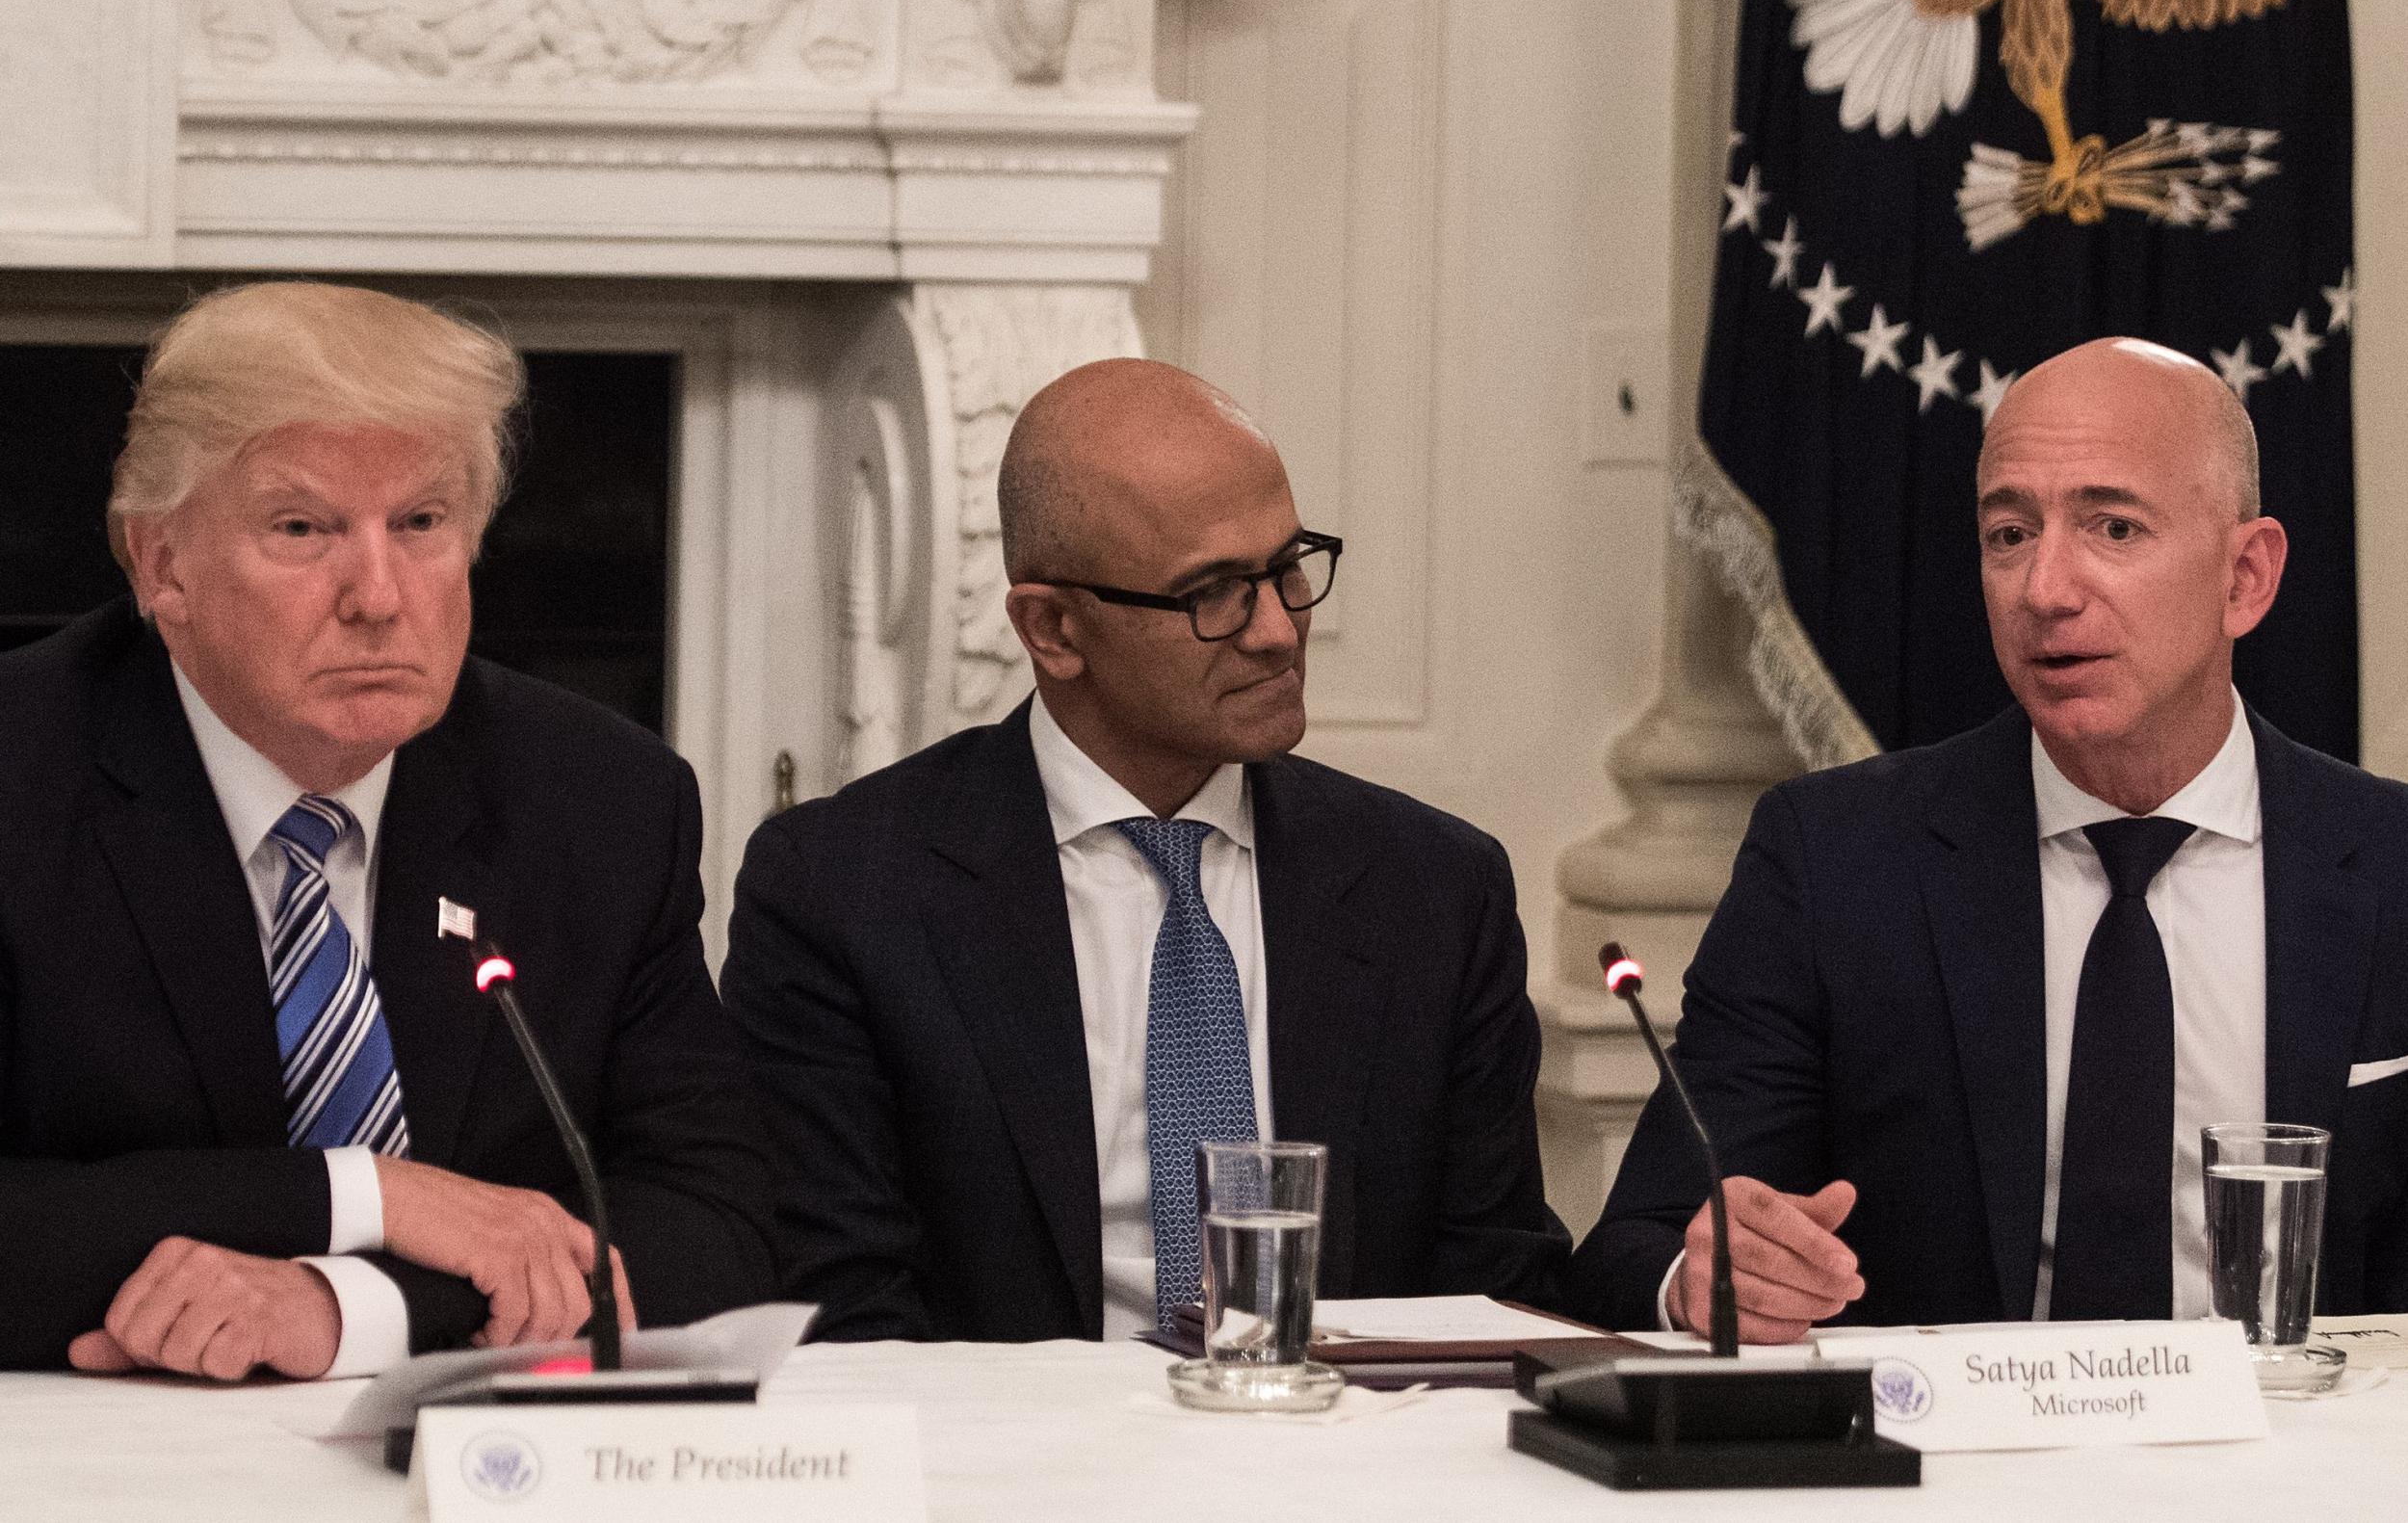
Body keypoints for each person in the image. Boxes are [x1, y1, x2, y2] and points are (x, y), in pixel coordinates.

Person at [0, 281, 774, 1379]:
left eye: (421, 524)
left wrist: (348, 1306)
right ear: (160, 565)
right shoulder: (22, 774)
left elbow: (717, 1221)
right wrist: (371, 1196)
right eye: (303, 528)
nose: (378, 594)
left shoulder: (601, 798)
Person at [1569, 337, 2408, 1340]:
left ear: (2244, 577)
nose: (2044, 588)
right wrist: (1709, 1277)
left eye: (2112, 527)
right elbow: (1635, 1250)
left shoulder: (2390, 865)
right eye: (2009, 533)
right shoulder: (1837, 861)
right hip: (1954, 1473)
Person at [721, 358, 1567, 1342]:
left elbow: (1494, 1283)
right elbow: (842, 1312)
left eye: (1287, 567)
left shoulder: (1433, 888)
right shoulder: (842, 889)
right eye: (1212, 593)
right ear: (1053, 628)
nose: (1276, 631)